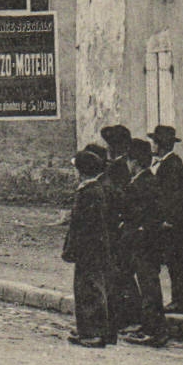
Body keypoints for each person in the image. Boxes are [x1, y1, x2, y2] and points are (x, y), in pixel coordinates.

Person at [62, 148, 116, 347]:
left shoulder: (90, 193)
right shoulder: (91, 190)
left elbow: (84, 226)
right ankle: (88, 331)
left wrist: (72, 249)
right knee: (87, 290)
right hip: (91, 249)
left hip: (90, 250)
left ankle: (96, 333)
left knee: (90, 291)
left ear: (82, 172)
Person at [119, 139, 169, 347]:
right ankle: (147, 324)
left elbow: (154, 214)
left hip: (146, 243)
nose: (128, 166)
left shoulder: (145, 183)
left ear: (136, 162)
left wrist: (139, 228)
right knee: (144, 283)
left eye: (129, 161)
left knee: (149, 286)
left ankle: (155, 330)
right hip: (142, 241)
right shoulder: (144, 181)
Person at [150, 125, 183, 315]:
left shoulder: (171, 165)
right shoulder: (168, 163)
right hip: (178, 223)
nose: (152, 146)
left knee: (177, 261)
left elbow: (174, 197)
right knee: (178, 262)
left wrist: (168, 220)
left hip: (176, 225)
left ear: (160, 145)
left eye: (154, 142)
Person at [100, 124, 142, 332]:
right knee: (121, 272)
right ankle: (126, 315)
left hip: (118, 226)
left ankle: (127, 316)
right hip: (120, 224)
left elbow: (118, 197)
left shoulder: (116, 168)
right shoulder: (121, 165)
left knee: (120, 272)